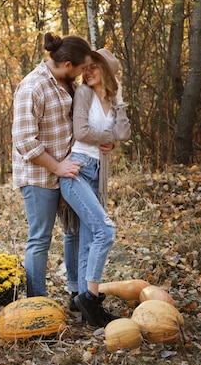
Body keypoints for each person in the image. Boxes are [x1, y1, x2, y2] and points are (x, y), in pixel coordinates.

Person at [12, 32, 92, 299]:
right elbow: (24, 141)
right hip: (40, 177)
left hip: (68, 174)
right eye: (81, 68)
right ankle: (36, 304)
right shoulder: (32, 86)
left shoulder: (66, 83)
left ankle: (76, 294)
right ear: (68, 64)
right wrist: (56, 167)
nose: (83, 74)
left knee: (75, 232)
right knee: (40, 239)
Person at [59, 48, 131, 327]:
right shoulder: (84, 94)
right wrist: (110, 138)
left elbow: (124, 133)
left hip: (97, 173)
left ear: (108, 72)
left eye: (93, 68)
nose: (86, 73)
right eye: (84, 68)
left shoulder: (112, 99)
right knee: (105, 229)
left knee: (90, 237)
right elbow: (82, 132)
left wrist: (120, 98)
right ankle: (90, 296)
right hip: (76, 170)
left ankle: (86, 304)